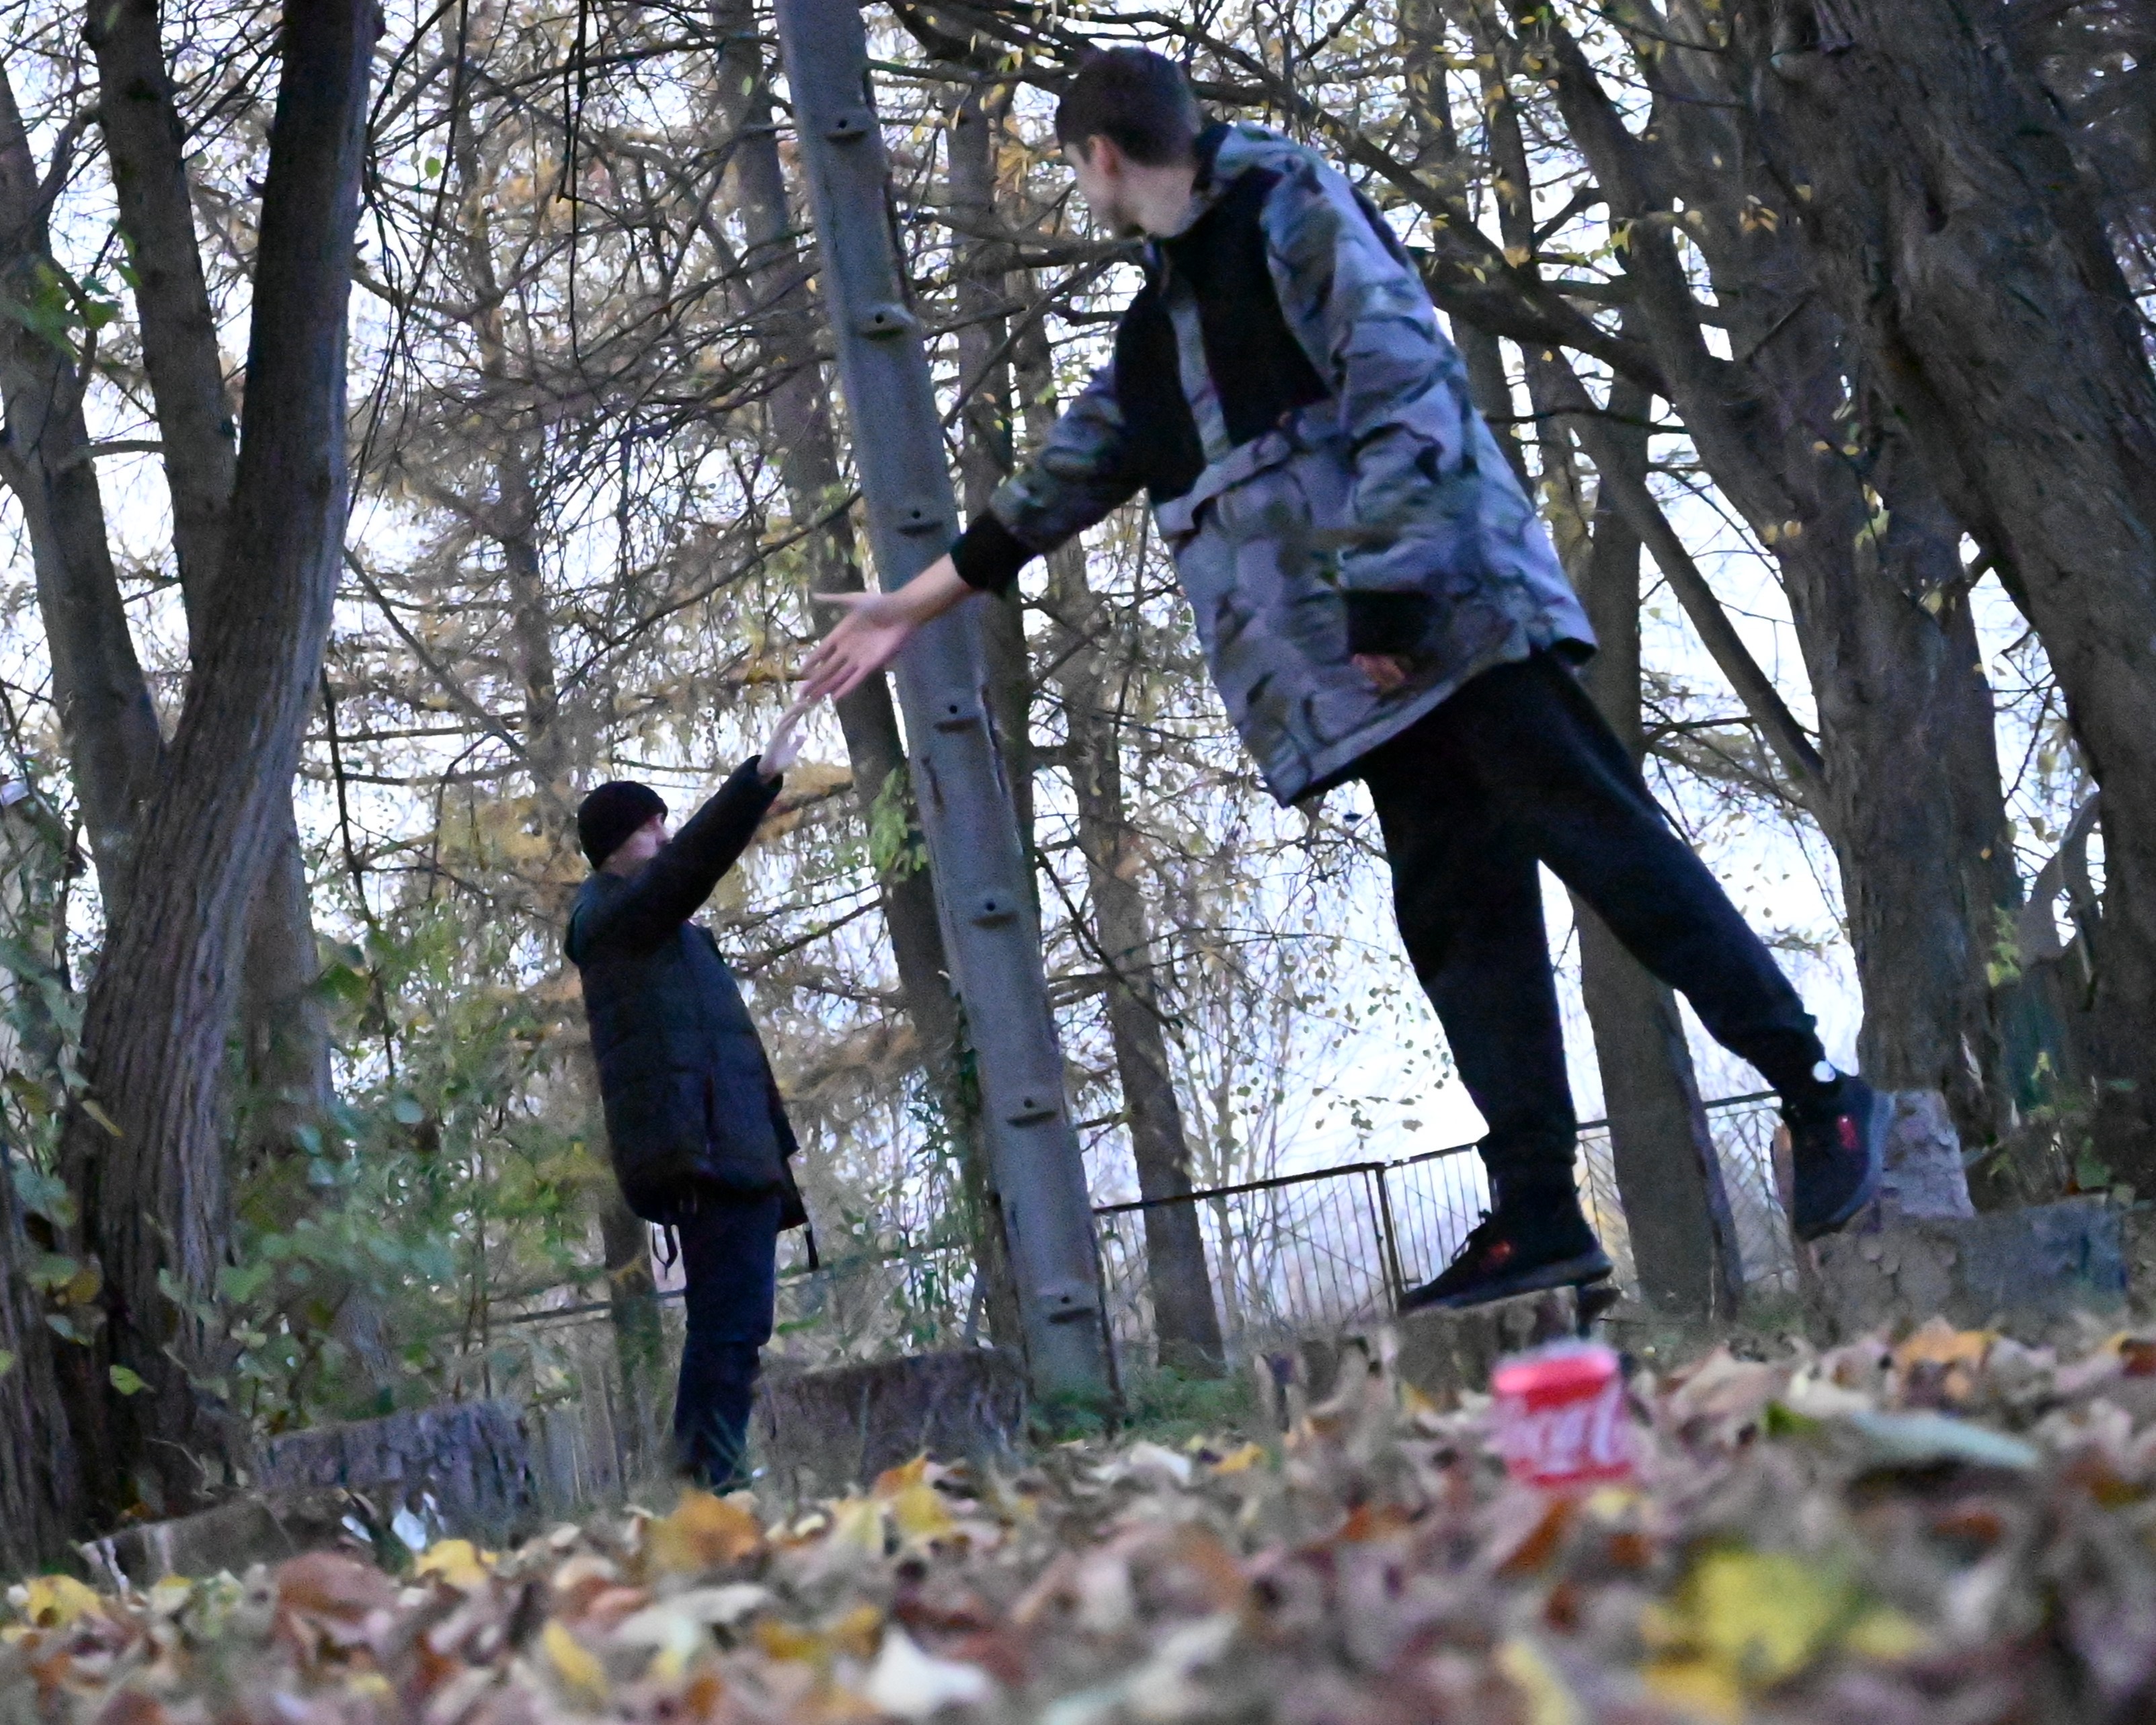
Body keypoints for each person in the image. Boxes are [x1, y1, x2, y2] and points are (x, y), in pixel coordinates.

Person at [803, 47, 1888, 1312]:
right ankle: (1539, 1214)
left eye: (1077, 173)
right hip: (1371, 681)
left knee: (1613, 852)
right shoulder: (1167, 321)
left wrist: (1388, 592)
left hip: (1451, 627)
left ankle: (1820, 1097)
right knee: (1462, 931)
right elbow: (1067, 472)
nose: (1085, 196)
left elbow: (1400, 381)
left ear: (1100, 157)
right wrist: (911, 603)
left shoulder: (1290, 211)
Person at [566, 698, 814, 1487]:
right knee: (730, 1323)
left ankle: (704, 1474)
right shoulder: (618, 919)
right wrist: (758, 782)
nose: (664, 837)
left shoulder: (662, 936)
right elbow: (690, 865)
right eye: (650, 826)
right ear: (616, 846)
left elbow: (723, 1054)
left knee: (736, 1321)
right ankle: (709, 1478)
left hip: (727, 1149)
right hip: (701, 1153)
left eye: (665, 823)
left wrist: (771, 1149)